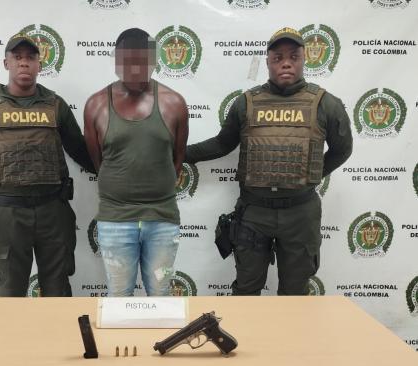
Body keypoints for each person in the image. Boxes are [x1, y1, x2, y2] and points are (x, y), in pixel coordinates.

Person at [186, 27, 353, 295]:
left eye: (293, 56)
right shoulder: (246, 102)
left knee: (294, 295)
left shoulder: (326, 104)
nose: (286, 63)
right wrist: (178, 153)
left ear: (304, 59)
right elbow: (222, 144)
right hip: (254, 213)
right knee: (247, 291)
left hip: (301, 213)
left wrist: (311, 173)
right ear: (267, 62)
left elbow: (342, 150)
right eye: (278, 58)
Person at [0, 34, 94, 297]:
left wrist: (121, 170)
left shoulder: (55, 104)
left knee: (58, 294)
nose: (24, 63)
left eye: (30, 57)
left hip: (53, 212)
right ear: (6, 63)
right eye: (17, 57)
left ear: (39, 65)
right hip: (7, 214)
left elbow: (81, 152)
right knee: (10, 296)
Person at [83, 28, 189, 297]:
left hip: (162, 220)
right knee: (119, 297)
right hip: (115, 220)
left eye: (141, 62)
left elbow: (177, 159)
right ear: (116, 62)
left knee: (161, 293)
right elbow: (98, 162)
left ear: (153, 61)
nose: (134, 70)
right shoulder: (96, 105)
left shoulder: (175, 103)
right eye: (127, 62)